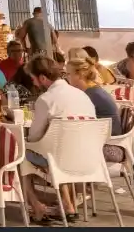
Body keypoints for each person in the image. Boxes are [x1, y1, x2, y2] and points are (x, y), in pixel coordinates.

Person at [20, 55, 97, 224]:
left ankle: (37, 206)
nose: (33, 82)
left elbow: (34, 137)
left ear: (42, 78)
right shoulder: (82, 95)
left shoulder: (46, 100)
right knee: (58, 149)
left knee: (19, 156)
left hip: (59, 159)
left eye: (33, 78)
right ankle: (68, 206)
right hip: (89, 157)